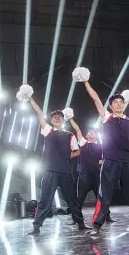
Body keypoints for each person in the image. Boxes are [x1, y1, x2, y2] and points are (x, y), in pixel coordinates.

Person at [82, 79, 129, 233]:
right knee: (105, 194)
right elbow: (95, 98)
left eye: (121, 102)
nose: (119, 104)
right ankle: (97, 225)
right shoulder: (107, 118)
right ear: (111, 106)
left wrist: (127, 147)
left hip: (127, 162)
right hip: (110, 162)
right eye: (116, 102)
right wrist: (87, 81)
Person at [27, 97, 82, 235]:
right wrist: (30, 98)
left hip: (65, 171)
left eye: (59, 117)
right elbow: (39, 113)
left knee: (72, 200)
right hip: (50, 171)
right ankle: (36, 226)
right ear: (51, 121)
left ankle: (80, 223)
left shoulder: (70, 135)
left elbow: (77, 151)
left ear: (63, 120)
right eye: (54, 117)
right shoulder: (47, 130)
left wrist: (67, 157)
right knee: (45, 200)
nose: (57, 118)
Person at [68, 119, 115, 225]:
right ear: (86, 135)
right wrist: (71, 119)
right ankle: (76, 219)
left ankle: (107, 217)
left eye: (93, 132)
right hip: (84, 175)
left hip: (97, 175)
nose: (91, 133)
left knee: (102, 197)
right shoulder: (83, 143)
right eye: (89, 132)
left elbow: (103, 159)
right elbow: (77, 130)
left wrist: (98, 162)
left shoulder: (100, 146)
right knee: (79, 199)